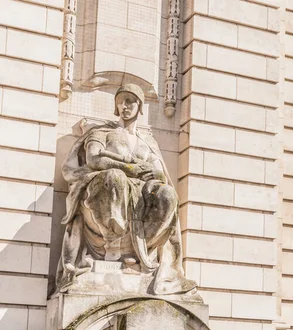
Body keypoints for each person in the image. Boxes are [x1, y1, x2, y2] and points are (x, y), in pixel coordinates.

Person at [56, 84, 196, 295]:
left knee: (167, 195)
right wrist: (130, 166)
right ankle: (113, 248)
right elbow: (95, 159)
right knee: (115, 177)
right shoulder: (102, 132)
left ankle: (140, 253)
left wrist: (153, 175)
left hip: (140, 194)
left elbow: (159, 172)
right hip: (105, 186)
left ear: (139, 106)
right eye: (121, 101)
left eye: (130, 101)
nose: (125, 106)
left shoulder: (146, 142)